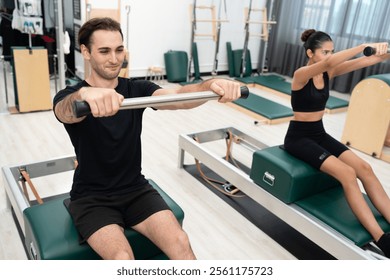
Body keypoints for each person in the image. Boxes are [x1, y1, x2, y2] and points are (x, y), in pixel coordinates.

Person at [53, 17, 242, 260]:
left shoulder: (136, 89)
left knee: (181, 242)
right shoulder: (72, 95)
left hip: (135, 189)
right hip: (92, 198)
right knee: (122, 258)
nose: (114, 58)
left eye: (119, 49)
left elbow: (180, 97)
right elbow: (64, 111)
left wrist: (211, 85)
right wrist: (86, 94)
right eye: (104, 51)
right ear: (86, 52)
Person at [283, 29, 390, 257]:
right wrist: (362, 45)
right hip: (299, 137)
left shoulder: (328, 72)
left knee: (365, 168)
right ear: (310, 53)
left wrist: (383, 51)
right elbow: (334, 61)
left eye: (331, 51)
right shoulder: (301, 74)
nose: (329, 55)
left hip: (318, 133)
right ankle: (381, 238)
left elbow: (369, 60)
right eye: (325, 52)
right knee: (347, 174)